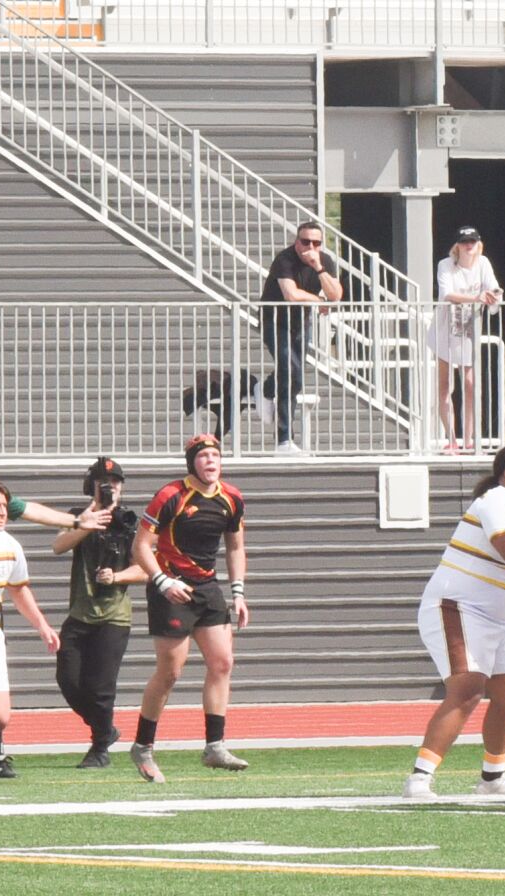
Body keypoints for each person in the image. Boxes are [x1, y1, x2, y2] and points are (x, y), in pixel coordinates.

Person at [404, 439, 505, 799]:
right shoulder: (498, 499)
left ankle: (492, 777)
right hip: (458, 605)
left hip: (495, 617)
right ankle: (419, 779)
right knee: (467, 690)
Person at [129, 434, 250, 784]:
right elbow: (141, 546)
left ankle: (215, 746)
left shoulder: (232, 498)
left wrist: (238, 592)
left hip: (207, 588)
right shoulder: (171, 495)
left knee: (223, 662)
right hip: (171, 588)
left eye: (215, 455)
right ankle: (143, 746)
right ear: (191, 463)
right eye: (203, 456)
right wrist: (162, 582)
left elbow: (235, 547)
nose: (211, 461)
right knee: (170, 672)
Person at [52, 457, 146, 769]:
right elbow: (59, 546)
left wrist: (117, 577)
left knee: (102, 687)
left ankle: (98, 749)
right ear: (91, 486)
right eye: (103, 483)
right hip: (80, 613)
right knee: (68, 679)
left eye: (115, 482)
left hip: (114, 616)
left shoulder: (132, 521)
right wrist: (87, 521)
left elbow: (146, 569)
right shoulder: (78, 516)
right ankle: (105, 729)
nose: (110, 488)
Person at [0, 479, 60, 779]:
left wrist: (42, 625)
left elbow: (19, 589)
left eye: (4, 506)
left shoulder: (10, 546)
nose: (2, 512)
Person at [257, 221, 344, 456]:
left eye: (316, 243)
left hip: (300, 322)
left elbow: (336, 294)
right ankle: (284, 440)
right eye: (305, 242)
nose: (310, 247)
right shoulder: (284, 259)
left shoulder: (323, 261)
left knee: (294, 374)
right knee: (290, 371)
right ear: (297, 241)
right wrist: (319, 302)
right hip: (274, 321)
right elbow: (291, 295)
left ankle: (265, 389)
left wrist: (319, 268)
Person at [426, 226, 502, 455]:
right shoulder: (445, 265)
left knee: (470, 384)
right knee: (445, 384)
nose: (469, 246)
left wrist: (493, 296)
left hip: (469, 329)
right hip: (444, 329)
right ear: (457, 245)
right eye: (464, 242)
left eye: (473, 241)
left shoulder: (484, 263)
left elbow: (493, 289)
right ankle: (451, 437)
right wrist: (475, 298)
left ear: (478, 244)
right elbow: (447, 293)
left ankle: (469, 438)